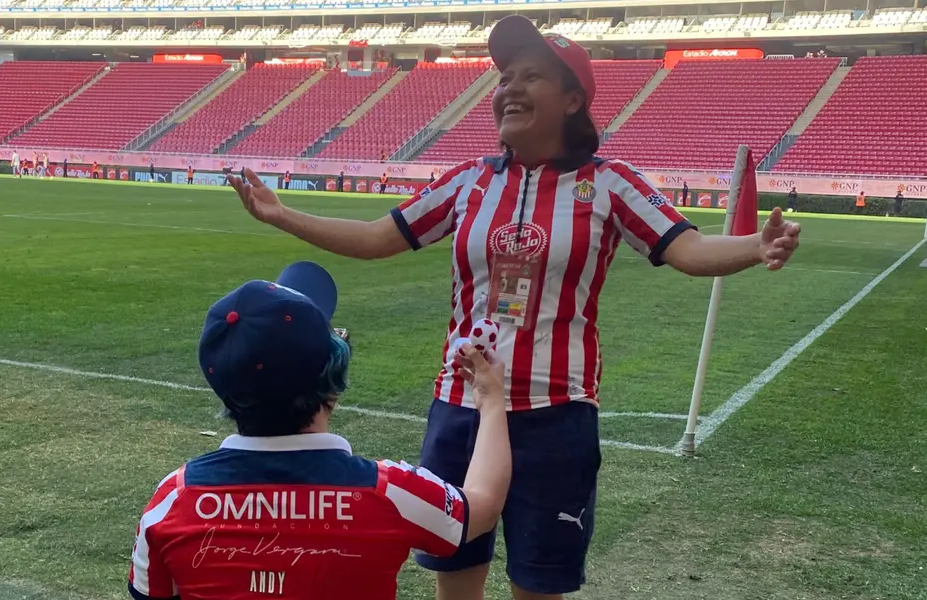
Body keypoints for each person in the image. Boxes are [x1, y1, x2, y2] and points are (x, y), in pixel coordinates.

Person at [228, 16, 802, 600]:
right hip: (459, 410)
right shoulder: (468, 181)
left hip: (555, 415)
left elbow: (688, 248)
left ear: (573, 100)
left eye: (532, 76)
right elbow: (381, 236)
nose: (510, 88)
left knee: (538, 583)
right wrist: (283, 216)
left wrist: (756, 246)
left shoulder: (610, 183)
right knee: (454, 577)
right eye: (505, 77)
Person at [128, 261, 512, 600]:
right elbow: (481, 507)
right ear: (331, 384)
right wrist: (492, 400)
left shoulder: (173, 501)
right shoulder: (391, 492)